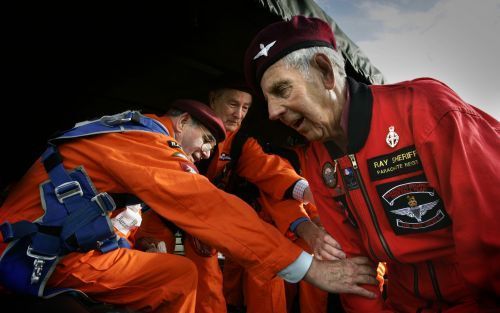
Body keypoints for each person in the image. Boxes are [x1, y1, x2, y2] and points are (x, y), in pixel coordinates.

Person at [0, 99, 378, 313]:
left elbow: (90, 211)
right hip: (30, 255)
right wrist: (305, 267)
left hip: (44, 245)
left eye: (215, 146)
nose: (207, 152)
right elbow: (206, 203)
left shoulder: (124, 131)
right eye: (205, 139)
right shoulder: (149, 140)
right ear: (181, 123)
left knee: (176, 273)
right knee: (181, 276)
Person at [243, 15, 500, 313]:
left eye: (282, 90)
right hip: (404, 300)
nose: (273, 112)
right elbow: (350, 264)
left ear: (326, 72)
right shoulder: (315, 157)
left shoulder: (423, 109)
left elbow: (491, 234)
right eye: (268, 100)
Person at [185, 77, 339, 313]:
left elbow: (269, 170)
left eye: (245, 108)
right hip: (173, 209)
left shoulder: (242, 143)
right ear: (213, 99)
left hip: (226, 220)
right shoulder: (180, 128)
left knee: (239, 276)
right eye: (233, 104)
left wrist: (309, 193)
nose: (239, 114)